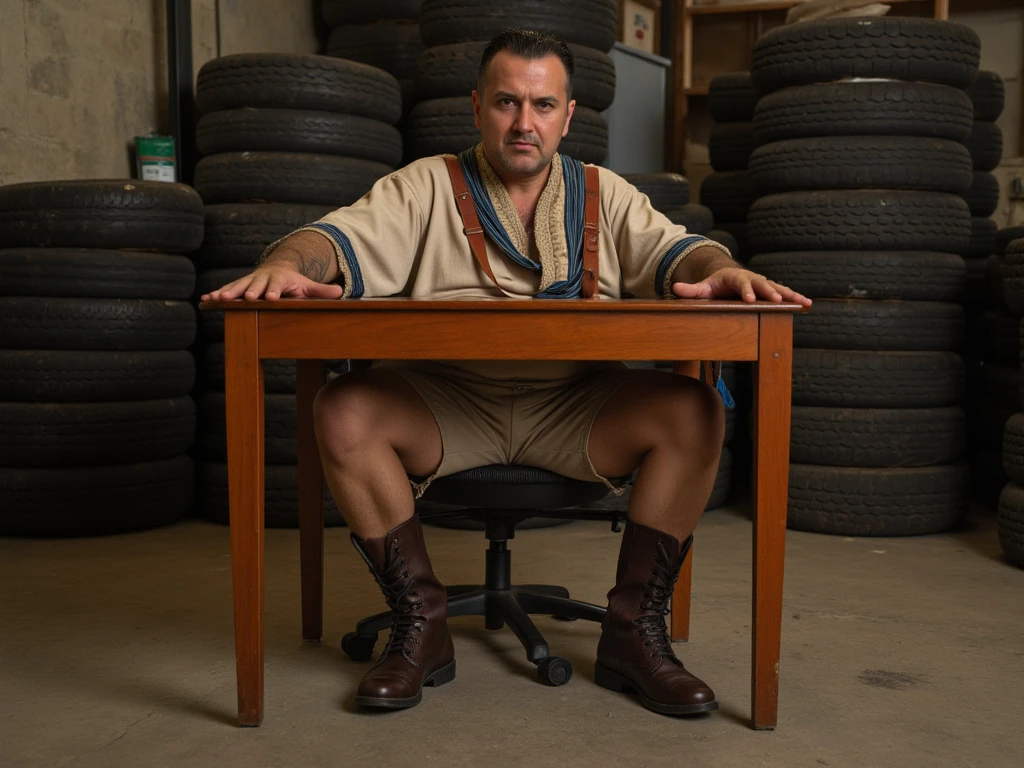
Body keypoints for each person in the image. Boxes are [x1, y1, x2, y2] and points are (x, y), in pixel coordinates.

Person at [202, 29, 811, 716]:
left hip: (578, 410)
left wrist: (722, 270)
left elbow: (679, 252)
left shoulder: (604, 193)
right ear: (476, 107)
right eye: (507, 103)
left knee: (695, 410)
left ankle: (634, 634)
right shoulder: (425, 185)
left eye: (544, 105)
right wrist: (286, 265)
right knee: (342, 409)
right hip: (446, 407)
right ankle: (421, 627)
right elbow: (332, 238)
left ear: (569, 115)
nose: (526, 123)